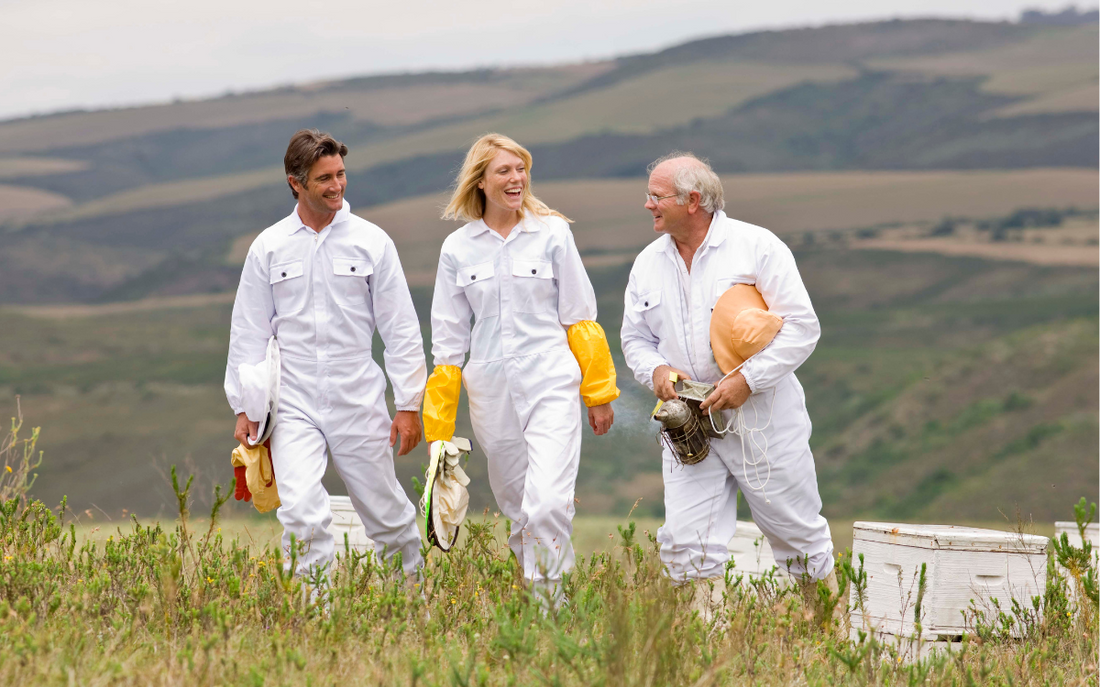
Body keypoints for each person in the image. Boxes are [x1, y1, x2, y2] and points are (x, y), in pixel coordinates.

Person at [620, 152, 836, 616]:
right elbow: (635, 338)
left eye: (656, 197)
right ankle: (706, 644)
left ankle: (829, 631)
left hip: (762, 416)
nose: (648, 205)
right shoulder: (648, 263)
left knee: (795, 530)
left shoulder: (757, 247)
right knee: (686, 541)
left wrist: (748, 380)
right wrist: (656, 372)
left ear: (692, 200)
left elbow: (803, 328)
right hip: (686, 421)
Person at [423, 133, 619, 604]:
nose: (517, 179)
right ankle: (536, 606)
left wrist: (599, 393)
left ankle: (552, 608)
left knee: (548, 502)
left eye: (521, 169)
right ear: (481, 183)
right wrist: (439, 429)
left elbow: (579, 315)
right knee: (519, 508)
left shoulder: (553, 233)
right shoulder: (458, 248)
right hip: (491, 390)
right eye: (504, 171)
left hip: (551, 378)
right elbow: (449, 344)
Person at [225, 129, 426, 587]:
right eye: (324, 178)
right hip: (291, 403)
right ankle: (314, 619)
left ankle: (412, 606)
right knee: (300, 512)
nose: (336, 186)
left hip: (358, 396)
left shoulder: (372, 242)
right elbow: (249, 332)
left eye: (340, 174)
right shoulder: (269, 247)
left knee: (387, 513)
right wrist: (244, 407)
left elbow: (400, 329)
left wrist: (409, 404)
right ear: (296, 182)